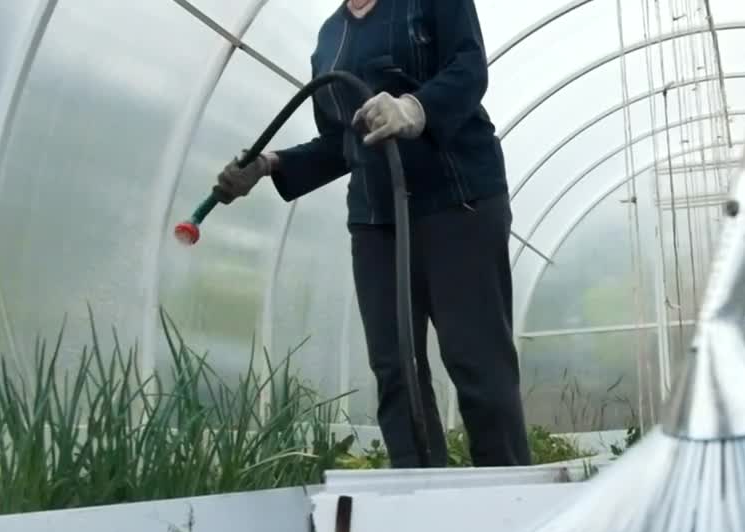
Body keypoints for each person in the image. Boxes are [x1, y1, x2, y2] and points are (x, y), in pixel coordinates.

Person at [212, 0, 531, 468]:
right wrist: (268, 165)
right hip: (376, 219)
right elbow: (339, 144)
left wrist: (414, 107)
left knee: (476, 360)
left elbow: (469, 69)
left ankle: (508, 499)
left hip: (458, 203)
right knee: (395, 368)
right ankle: (420, 495)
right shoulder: (330, 38)